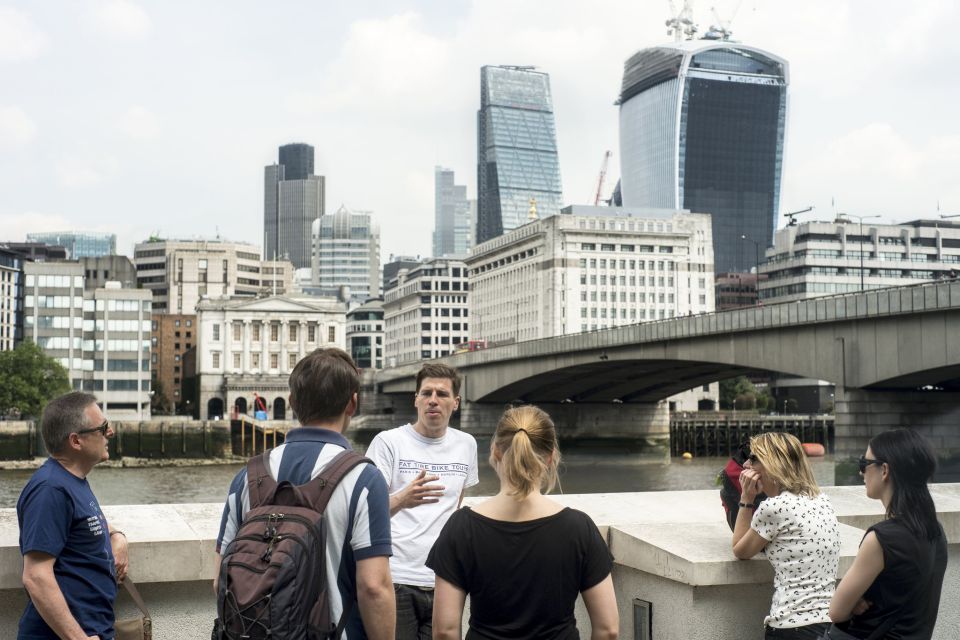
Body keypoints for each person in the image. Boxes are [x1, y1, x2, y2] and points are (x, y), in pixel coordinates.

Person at [215, 348, 395, 640]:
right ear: (353, 403)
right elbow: (374, 587)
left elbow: (221, 579)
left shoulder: (247, 477)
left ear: (291, 402)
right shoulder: (364, 479)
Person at [427, 405, 619, 640]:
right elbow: (608, 629)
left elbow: (444, 631)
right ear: (550, 458)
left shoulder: (462, 527)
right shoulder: (578, 528)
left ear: (496, 451)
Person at [364, 363, 479, 640]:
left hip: (445, 580)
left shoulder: (467, 445)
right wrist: (403, 499)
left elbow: (456, 508)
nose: (433, 400)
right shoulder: (388, 442)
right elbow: (364, 515)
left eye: (442, 393)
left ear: (456, 402)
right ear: (415, 399)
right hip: (397, 579)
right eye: (426, 392)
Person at [17, 391, 129, 640]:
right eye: (102, 428)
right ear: (76, 441)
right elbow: (36, 575)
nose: (110, 432)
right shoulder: (50, 490)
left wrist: (116, 535)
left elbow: (81, 522)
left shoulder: (70, 482)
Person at [828, 429, 947, 639]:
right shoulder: (936, 531)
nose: (861, 472)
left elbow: (836, 611)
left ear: (884, 470)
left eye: (864, 464)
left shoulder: (881, 539)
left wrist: (857, 599)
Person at [732, 432, 840, 639]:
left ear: (773, 464)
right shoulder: (822, 500)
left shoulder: (775, 507)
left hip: (792, 624)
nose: (746, 464)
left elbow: (740, 549)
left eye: (754, 458)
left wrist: (746, 498)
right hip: (828, 623)